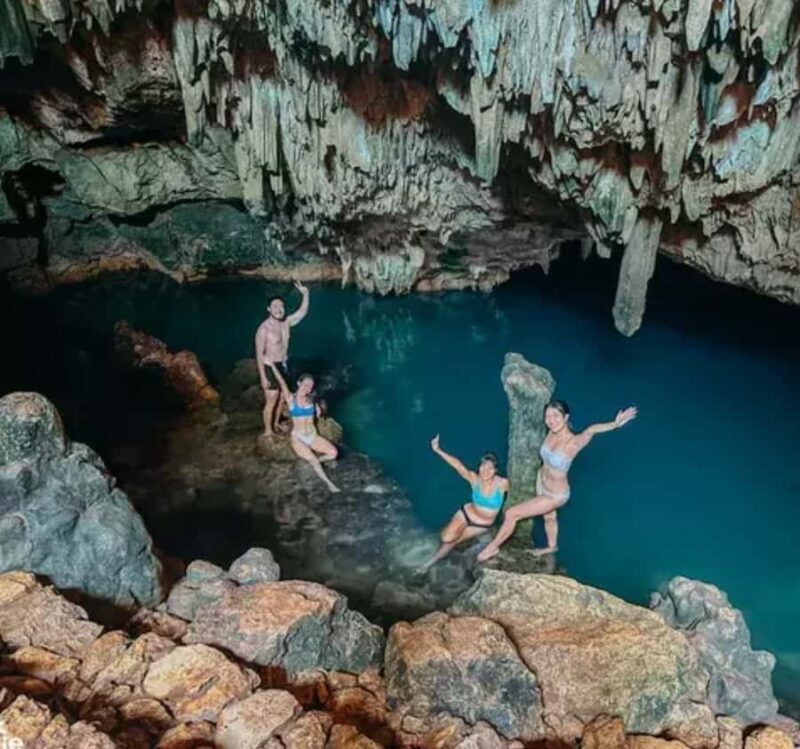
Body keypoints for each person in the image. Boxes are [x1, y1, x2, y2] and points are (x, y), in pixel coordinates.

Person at [477, 400, 637, 561]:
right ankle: (552, 547)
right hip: (541, 480)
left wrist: (615, 424)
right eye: (547, 416)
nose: (551, 420)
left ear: (566, 417)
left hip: (556, 494)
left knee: (512, 514)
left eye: (555, 416)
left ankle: (492, 548)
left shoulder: (573, 443)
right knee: (549, 518)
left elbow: (591, 430)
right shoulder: (551, 431)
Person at [416, 435, 509, 573]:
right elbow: (457, 465)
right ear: (479, 467)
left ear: (495, 470)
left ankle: (429, 563)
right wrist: (438, 450)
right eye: (483, 467)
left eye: (490, 468)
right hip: (466, 514)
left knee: (452, 541)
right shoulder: (474, 479)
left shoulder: (502, 484)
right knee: (445, 537)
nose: (485, 471)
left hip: (482, 524)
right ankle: (440, 537)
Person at [266, 362, 340, 493]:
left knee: (333, 453)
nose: (307, 388)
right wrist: (272, 366)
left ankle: (315, 461)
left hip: (313, 436)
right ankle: (329, 484)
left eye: (310, 386)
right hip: (298, 438)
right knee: (314, 461)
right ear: (299, 383)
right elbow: (281, 382)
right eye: (305, 384)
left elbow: (320, 405)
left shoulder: (311, 400)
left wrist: (318, 408)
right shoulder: (290, 399)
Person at [255, 282, 310, 436]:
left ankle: (276, 423)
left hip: (284, 364)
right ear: (269, 309)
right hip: (269, 365)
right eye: (275, 306)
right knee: (271, 399)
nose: (279, 309)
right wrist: (263, 377)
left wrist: (306, 294)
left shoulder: (286, 323)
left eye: (281, 306)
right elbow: (259, 354)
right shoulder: (264, 329)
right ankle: (268, 432)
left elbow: (302, 312)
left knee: (281, 399)